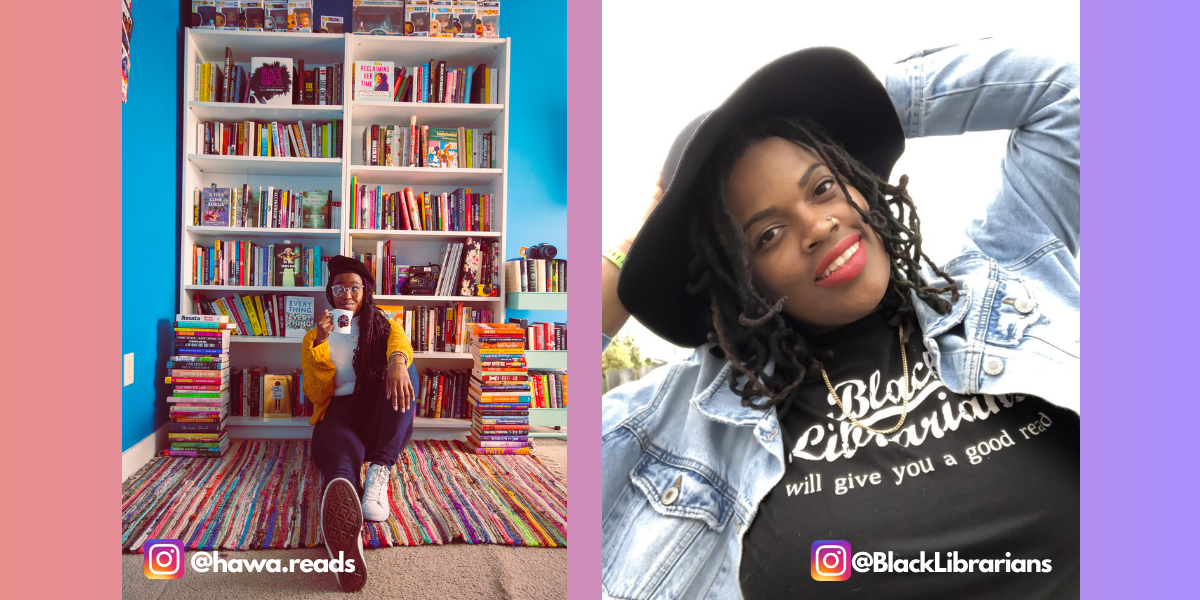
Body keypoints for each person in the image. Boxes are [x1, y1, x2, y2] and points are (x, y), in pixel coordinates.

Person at [601, 39, 1079, 599]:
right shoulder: (681, 423)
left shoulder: (1002, 277)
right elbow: (544, 396)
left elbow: (1070, 97)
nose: (820, 225)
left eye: (823, 186)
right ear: (739, 279)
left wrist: (864, 102)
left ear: (858, 180)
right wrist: (647, 235)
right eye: (768, 234)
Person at [302, 255, 416, 593]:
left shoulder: (384, 326)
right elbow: (315, 392)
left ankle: (379, 471)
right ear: (331, 292)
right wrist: (320, 346)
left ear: (365, 291)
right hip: (339, 414)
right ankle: (347, 531)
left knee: (408, 370)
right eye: (340, 288)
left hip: (377, 412)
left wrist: (396, 362)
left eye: (354, 287)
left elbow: (401, 344)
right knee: (341, 461)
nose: (347, 294)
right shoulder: (315, 336)